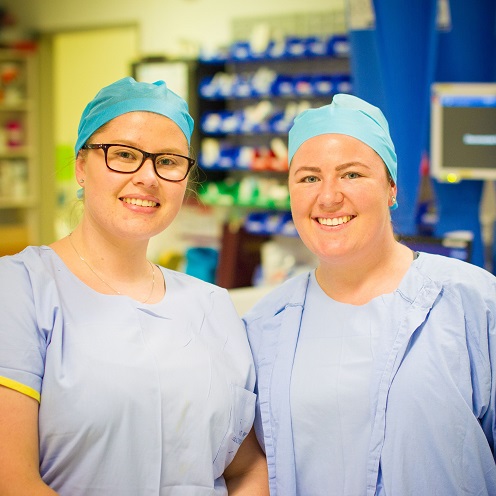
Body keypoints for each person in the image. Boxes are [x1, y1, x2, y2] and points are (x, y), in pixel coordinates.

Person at [0, 77, 268, 496]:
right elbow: (12, 480)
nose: (148, 177)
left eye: (169, 161)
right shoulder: (21, 289)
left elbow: (247, 469)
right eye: (124, 154)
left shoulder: (212, 307)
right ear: (80, 165)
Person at [243, 94, 496, 495]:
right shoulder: (262, 328)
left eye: (352, 175)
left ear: (392, 188)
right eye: (309, 178)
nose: (328, 197)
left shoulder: (473, 303)